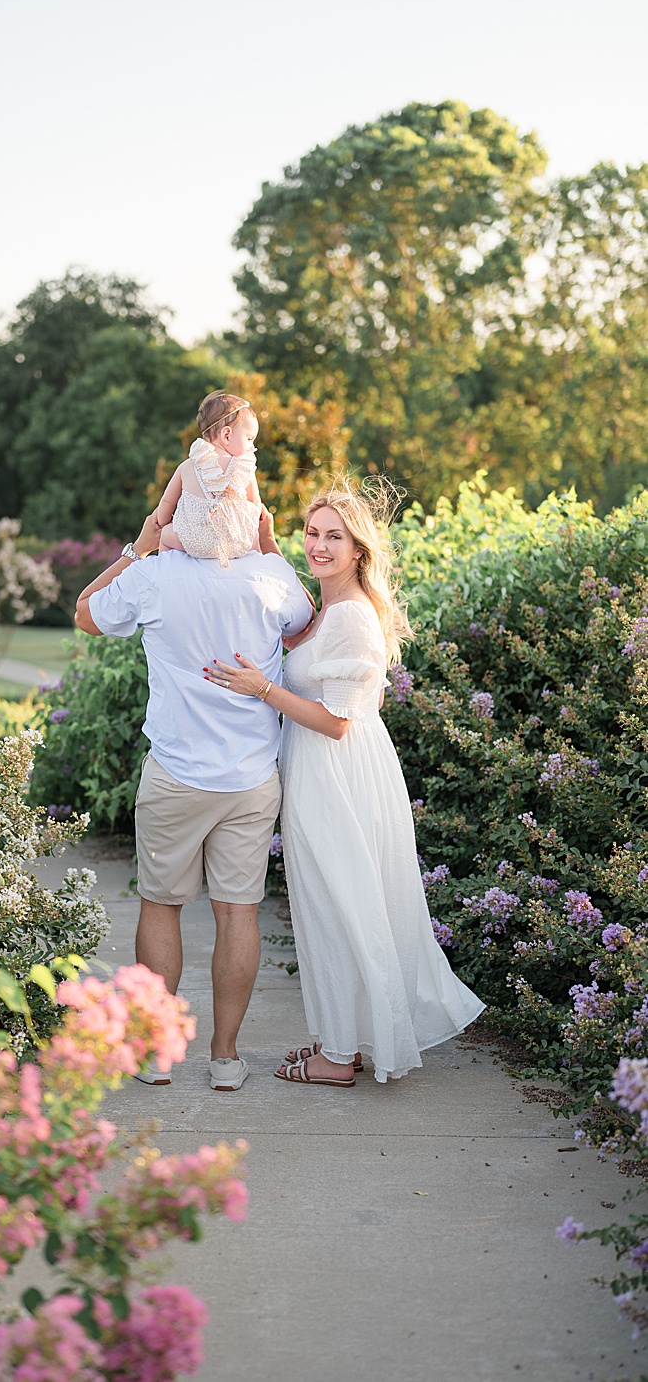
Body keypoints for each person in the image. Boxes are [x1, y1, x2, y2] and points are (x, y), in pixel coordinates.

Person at [201, 480, 483, 1084]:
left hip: (339, 776)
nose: (321, 545)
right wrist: (273, 551)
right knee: (331, 904)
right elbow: (305, 639)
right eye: (314, 532)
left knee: (341, 905)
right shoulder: (333, 604)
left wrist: (263, 689)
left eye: (335, 536)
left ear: (360, 549)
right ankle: (342, 1042)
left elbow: (337, 721)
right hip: (319, 772)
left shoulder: (353, 616)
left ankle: (338, 1056)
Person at [76, 498, 314, 1091]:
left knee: (162, 905)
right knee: (239, 914)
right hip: (251, 779)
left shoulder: (153, 575)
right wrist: (272, 546)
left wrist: (139, 546)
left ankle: (157, 1053)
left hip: (176, 775)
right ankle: (226, 1057)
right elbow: (305, 626)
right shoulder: (270, 574)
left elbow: (85, 614)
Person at [151, 390, 266, 565]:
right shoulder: (244, 468)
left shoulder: (188, 466)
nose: (252, 446)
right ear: (226, 435)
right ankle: (257, 566)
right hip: (235, 541)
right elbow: (255, 504)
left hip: (195, 541)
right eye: (249, 439)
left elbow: (167, 502)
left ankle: (164, 569)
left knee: (166, 535)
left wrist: (162, 521)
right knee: (254, 536)